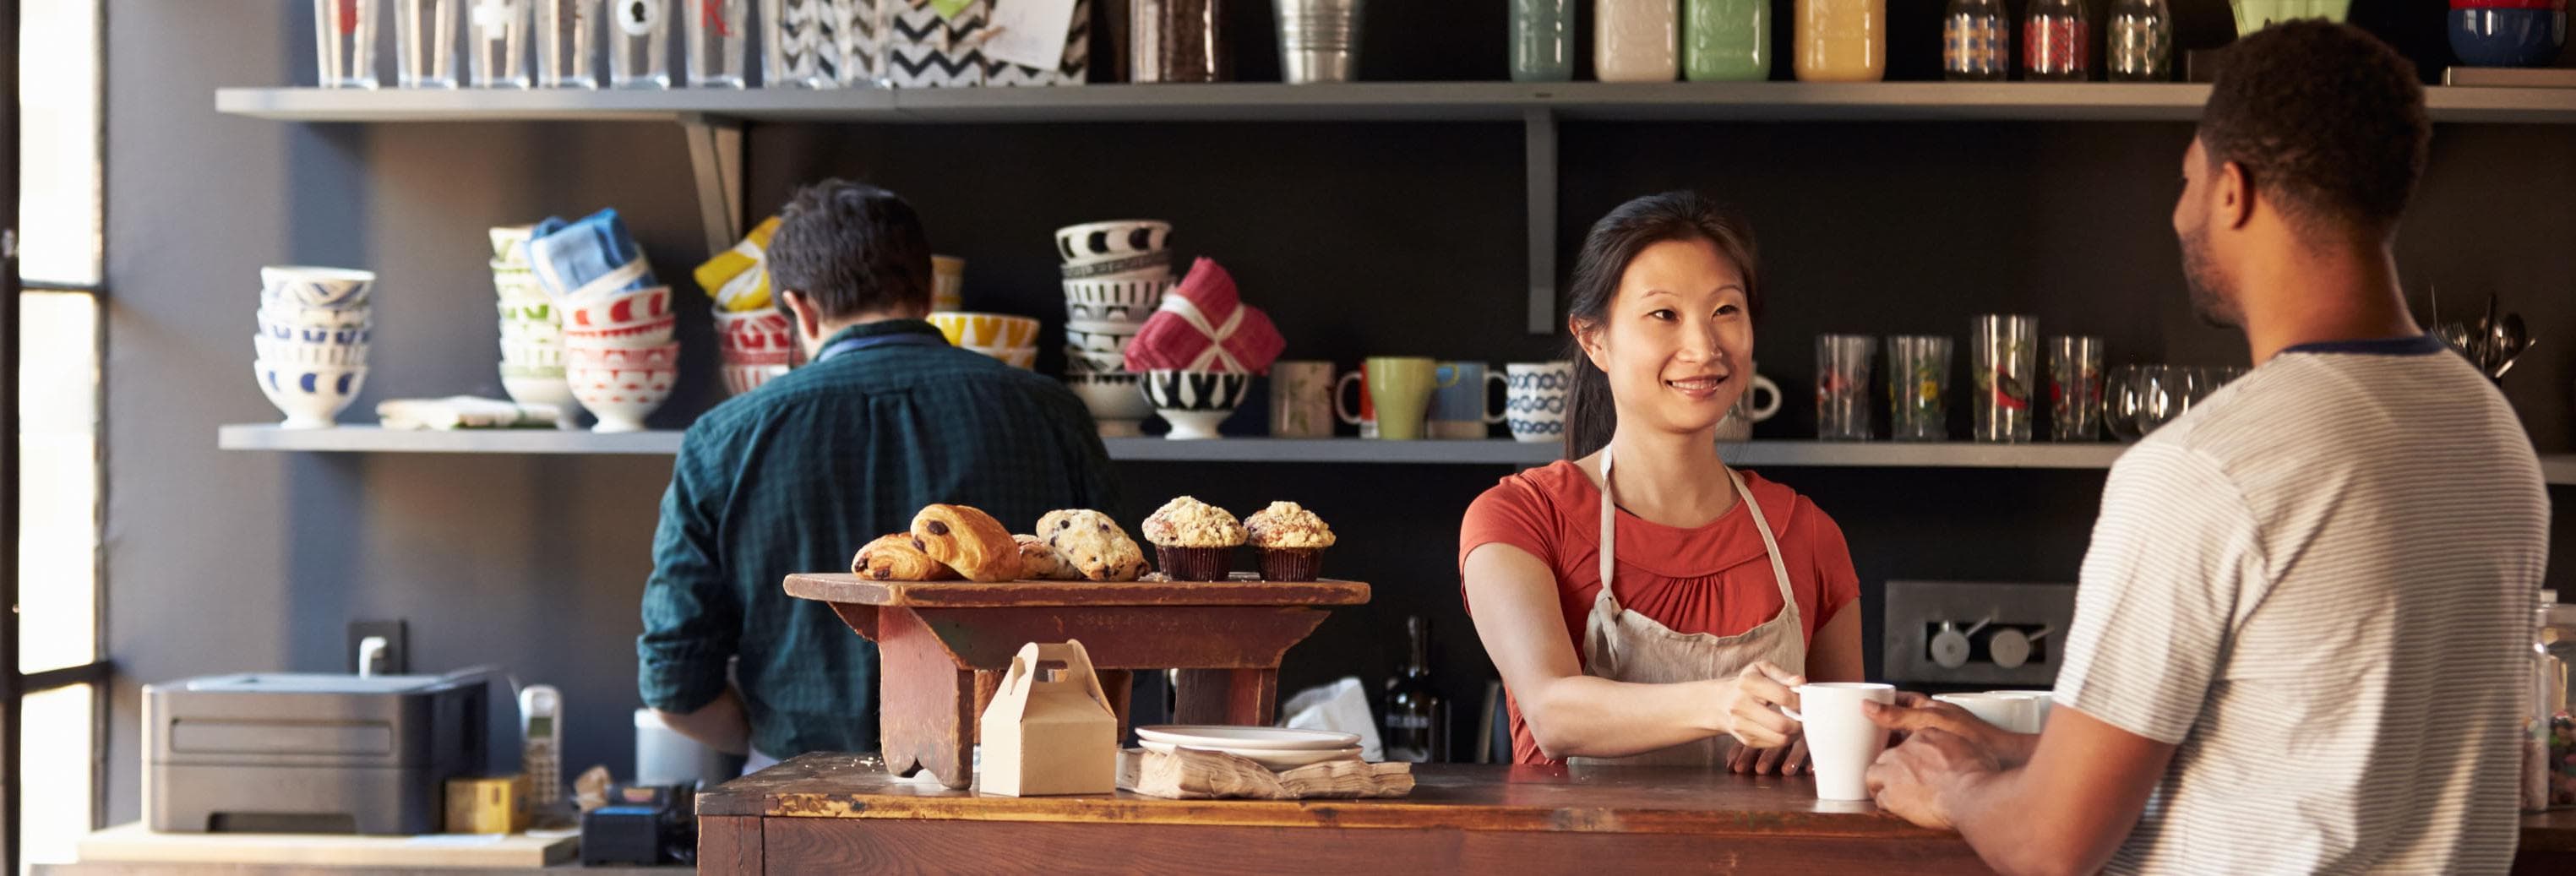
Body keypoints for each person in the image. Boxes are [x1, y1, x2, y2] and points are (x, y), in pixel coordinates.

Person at [1861, 22, 2548, 875]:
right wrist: (2023, 750)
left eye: (2185, 179)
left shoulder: (2203, 468)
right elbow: (2310, 752)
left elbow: (2049, 844)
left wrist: (1960, 784)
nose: (2177, 211)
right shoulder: (2489, 432)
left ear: (2233, 190)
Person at [637, 180, 1119, 770]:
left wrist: (779, 748)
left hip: (799, 796)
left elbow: (674, 681)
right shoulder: (1051, 414)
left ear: (799, 307)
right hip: (1012, 787)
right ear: (929, 290)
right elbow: (1117, 626)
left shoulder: (723, 439)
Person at [1458, 192, 1865, 772]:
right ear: (1593, 339)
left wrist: (1822, 741)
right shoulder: (1518, 519)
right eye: (1663, 315)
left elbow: (1846, 749)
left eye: (1725, 310)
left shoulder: (1808, 533)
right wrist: (1721, 700)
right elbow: (1552, 712)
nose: (1703, 348)